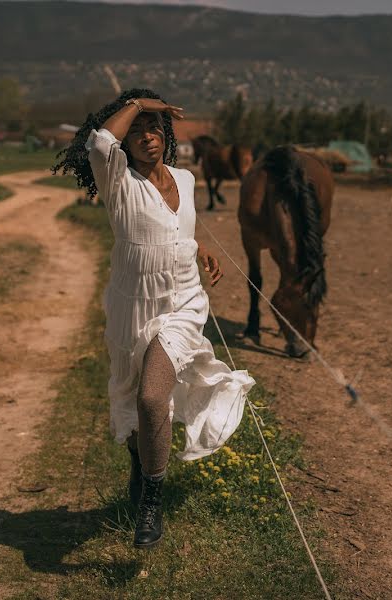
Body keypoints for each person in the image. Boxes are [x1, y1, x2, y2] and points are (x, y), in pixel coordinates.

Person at [53, 89, 255, 548]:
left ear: (168, 137)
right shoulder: (118, 179)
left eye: (156, 129)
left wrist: (198, 248)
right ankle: (140, 463)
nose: (148, 136)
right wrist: (144, 103)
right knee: (131, 397)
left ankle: (150, 498)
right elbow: (101, 141)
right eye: (140, 129)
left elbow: (176, 229)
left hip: (181, 303)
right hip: (131, 305)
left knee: (151, 399)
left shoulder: (184, 181)